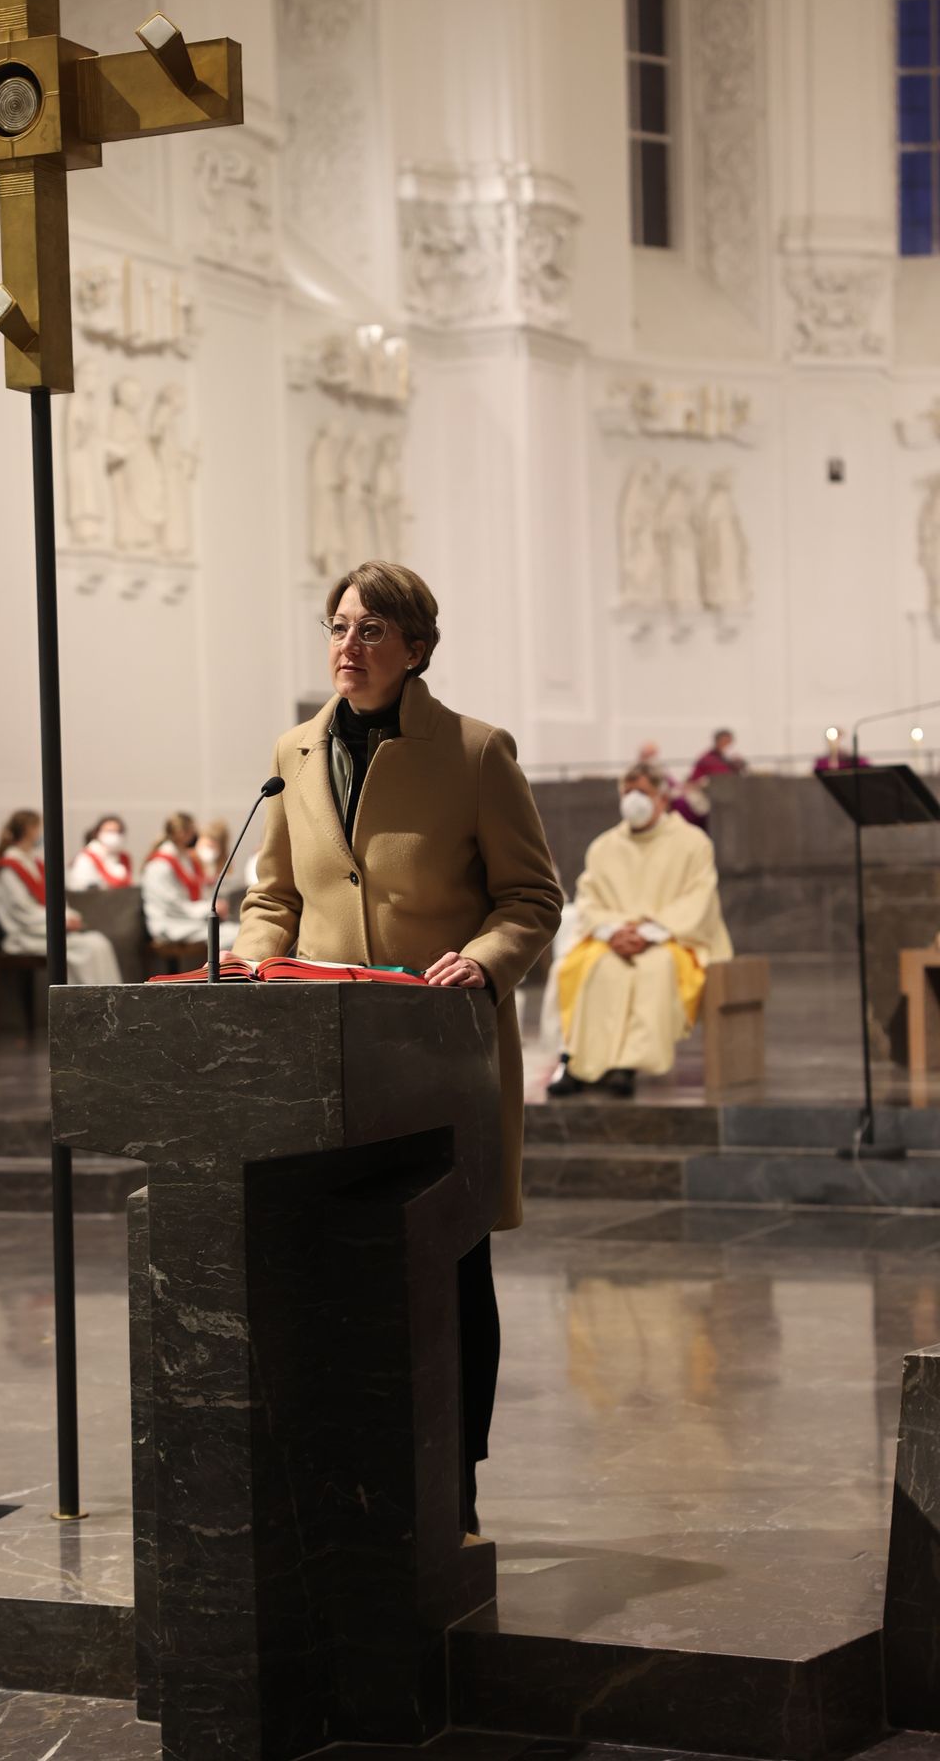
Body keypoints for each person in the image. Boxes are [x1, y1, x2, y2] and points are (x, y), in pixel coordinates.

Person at [231, 561, 562, 1535]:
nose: (349, 645)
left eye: (371, 630)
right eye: (339, 626)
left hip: (437, 1053)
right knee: (337, 1266)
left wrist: (488, 959)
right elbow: (276, 895)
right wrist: (255, 964)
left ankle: (452, 1485)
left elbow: (533, 897)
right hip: (326, 1052)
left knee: (448, 1268)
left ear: (415, 647)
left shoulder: (473, 750)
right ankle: (351, 1488)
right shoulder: (294, 752)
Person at [551, 761, 733, 1100]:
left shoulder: (693, 843)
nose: (634, 799)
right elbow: (590, 899)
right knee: (598, 969)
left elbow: (698, 897)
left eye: (643, 792)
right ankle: (579, 1064)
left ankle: (627, 1065)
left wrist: (650, 933)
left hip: (672, 938)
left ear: (663, 798)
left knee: (655, 969)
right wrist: (612, 933)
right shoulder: (604, 846)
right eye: (627, 792)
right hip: (613, 939)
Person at [0, 810, 121, 986]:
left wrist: (67, 916)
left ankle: (109, 1002)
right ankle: (83, 1004)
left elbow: (52, 899)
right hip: (25, 935)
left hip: (42, 927)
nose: (41, 833)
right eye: (38, 828)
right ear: (28, 830)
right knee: (90, 948)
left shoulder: (31, 862)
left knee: (99, 942)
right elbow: (21, 909)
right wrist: (60, 920)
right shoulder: (9, 868)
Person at [142, 813, 238, 948]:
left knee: (238, 931)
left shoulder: (184, 859)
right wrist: (207, 908)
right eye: (193, 831)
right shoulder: (159, 865)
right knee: (233, 935)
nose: (196, 836)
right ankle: (221, 969)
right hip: (170, 924)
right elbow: (173, 906)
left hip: (186, 920)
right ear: (182, 834)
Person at [675, 727, 746, 829]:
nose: (729, 745)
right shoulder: (707, 759)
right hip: (709, 804)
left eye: (730, 742)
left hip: (729, 803)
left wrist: (738, 766)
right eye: (726, 742)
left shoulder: (731, 761)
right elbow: (694, 781)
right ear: (718, 741)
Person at [68, 816, 133, 891]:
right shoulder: (87, 857)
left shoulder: (122, 857)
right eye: (109, 831)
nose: (114, 835)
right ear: (98, 833)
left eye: (118, 831)